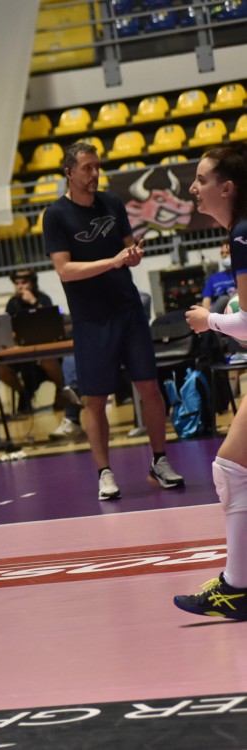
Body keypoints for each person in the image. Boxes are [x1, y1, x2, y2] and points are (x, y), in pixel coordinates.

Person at [44, 141, 185, 501]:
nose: (95, 174)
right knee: (95, 399)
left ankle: (159, 461)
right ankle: (104, 473)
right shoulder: (56, 215)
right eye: (87, 168)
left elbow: (128, 248)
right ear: (69, 173)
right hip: (91, 318)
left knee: (149, 386)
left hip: (128, 309)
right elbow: (65, 269)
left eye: (97, 166)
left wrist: (133, 256)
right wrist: (112, 261)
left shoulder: (113, 203)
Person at [179, 145, 247, 619]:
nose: (193, 188)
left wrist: (211, 321)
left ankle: (237, 588)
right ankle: (236, 584)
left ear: (227, 188)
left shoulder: (242, 234)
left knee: (231, 469)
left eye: (202, 179)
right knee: (233, 468)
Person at [0, 269, 74, 415]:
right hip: (22, 351)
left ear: (33, 283)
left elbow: (51, 322)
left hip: (46, 349)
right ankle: (23, 394)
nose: (20, 286)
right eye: (17, 283)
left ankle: (61, 392)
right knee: (1, 369)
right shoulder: (12, 303)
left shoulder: (43, 299)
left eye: (24, 283)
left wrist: (33, 302)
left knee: (47, 360)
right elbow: (8, 327)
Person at [201, 241, 236, 309]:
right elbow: (206, 304)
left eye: (228, 252)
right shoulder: (213, 278)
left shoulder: (242, 275)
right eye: (222, 253)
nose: (224, 255)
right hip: (219, 312)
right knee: (223, 299)